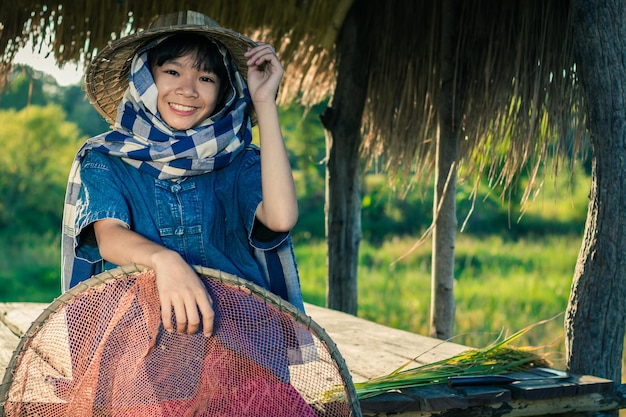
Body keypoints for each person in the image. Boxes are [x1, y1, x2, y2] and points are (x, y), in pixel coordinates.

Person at [61, 10, 303, 339]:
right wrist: (165, 261)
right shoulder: (105, 159)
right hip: (142, 343)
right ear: (144, 78)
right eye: (172, 71)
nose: (188, 89)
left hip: (237, 342)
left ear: (224, 91)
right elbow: (109, 236)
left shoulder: (237, 162)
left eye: (206, 78)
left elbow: (281, 218)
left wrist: (263, 102)